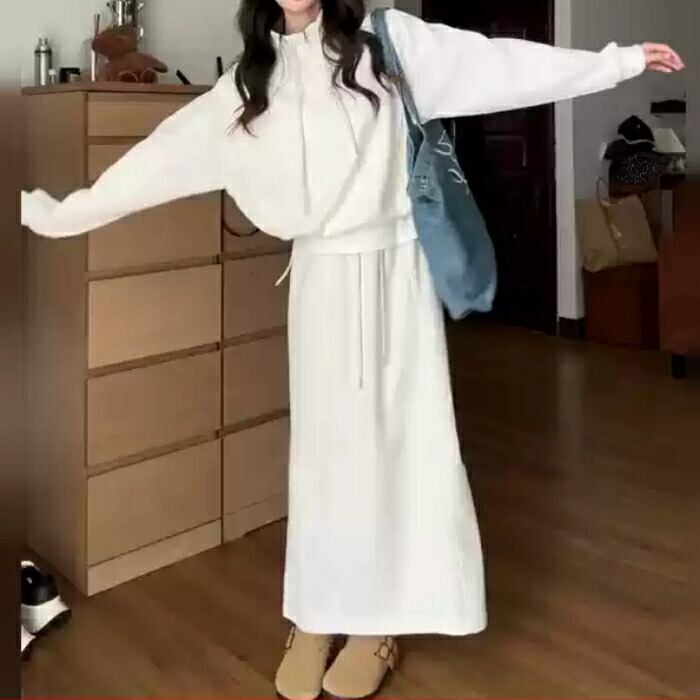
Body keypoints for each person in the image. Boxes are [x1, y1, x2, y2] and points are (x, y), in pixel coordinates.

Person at [21, 1, 683, 698]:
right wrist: (64, 214)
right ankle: (316, 615)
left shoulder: (387, 43)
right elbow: (162, 159)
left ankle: (379, 625)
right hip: (320, 284)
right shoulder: (251, 80)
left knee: (402, 450)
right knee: (325, 459)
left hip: (397, 275)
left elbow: (498, 66)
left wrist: (616, 63)